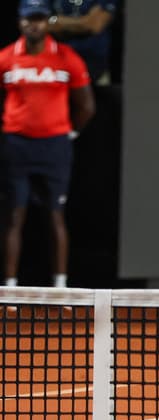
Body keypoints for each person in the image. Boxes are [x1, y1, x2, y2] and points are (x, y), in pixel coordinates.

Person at [0, 0, 95, 288]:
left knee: (55, 216)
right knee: (14, 217)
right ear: (20, 22)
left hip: (55, 147)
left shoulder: (67, 58)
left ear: (48, 22)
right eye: (29, 19)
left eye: (40, 19)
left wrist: (70, 133)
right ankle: (10, 287)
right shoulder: (5, 58)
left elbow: (86, 106)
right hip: (16, 146)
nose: (34, 24)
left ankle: (60, 285)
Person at [46, 0, 118, 85]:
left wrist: (57, 21)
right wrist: (82, 23)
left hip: (94, 63)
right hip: (56, 62)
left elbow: (93, 25)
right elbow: (40, 22)